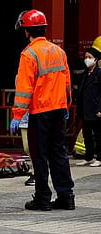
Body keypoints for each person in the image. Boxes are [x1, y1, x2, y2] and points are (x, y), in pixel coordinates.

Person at [10, 9, 75, 211]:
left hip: (40, 112)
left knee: (39, 155)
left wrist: (17, 115)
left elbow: (24, 89)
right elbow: (66, 83)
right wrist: (67, 105)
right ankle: (66, 196)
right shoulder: (59, 51)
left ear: (27, 31)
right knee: (59, 153)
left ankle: (42, 198)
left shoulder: (28, 54)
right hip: (58, 110)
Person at [75, 46, 101, 167]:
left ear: (96, 59)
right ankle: (89, 157)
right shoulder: (85, 74)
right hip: (85, 109)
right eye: (85, 57)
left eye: (89, 57)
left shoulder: (99, 74)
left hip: (96, 110)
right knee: (87, 135)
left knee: (98, 135)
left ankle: (99, 157)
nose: (87, 60)